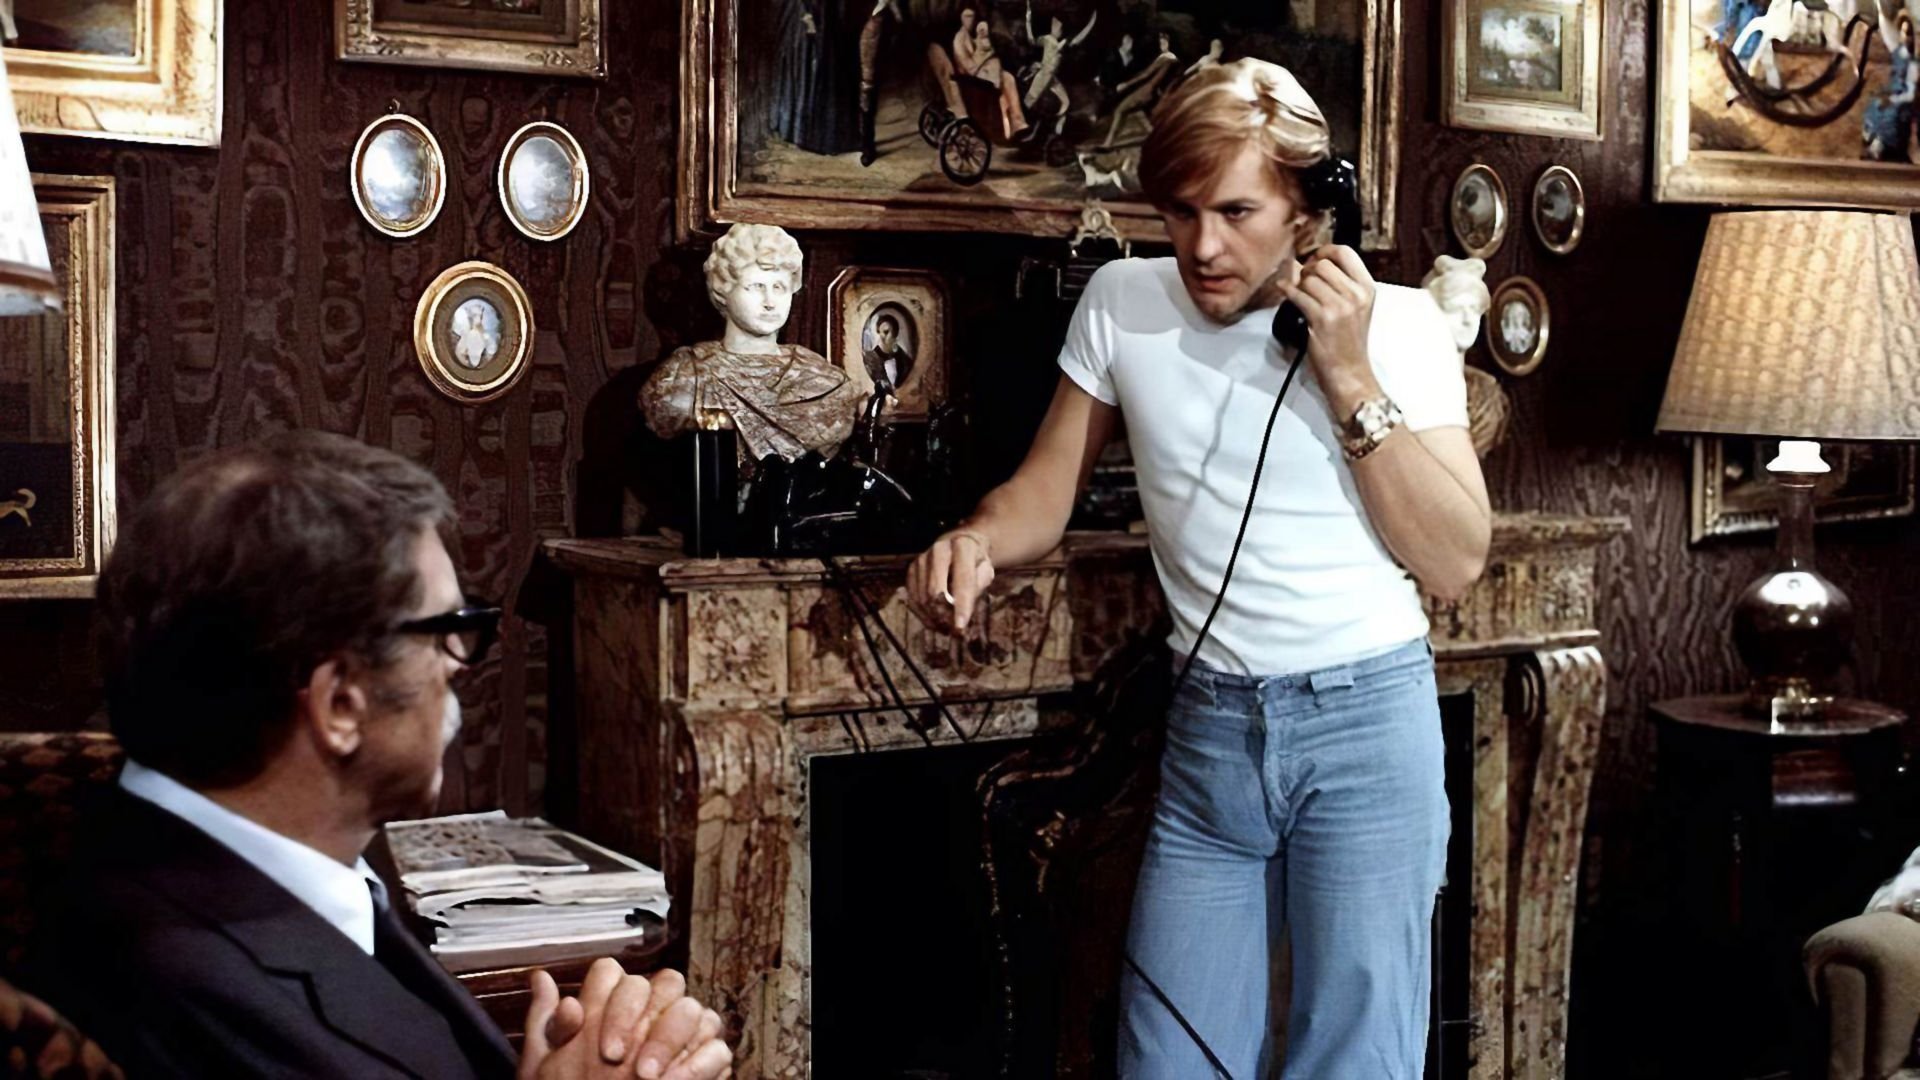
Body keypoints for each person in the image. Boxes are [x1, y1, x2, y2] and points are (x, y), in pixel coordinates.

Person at [907, 58, 1490, 1078]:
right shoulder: (1121, 303)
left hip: (1365, 729)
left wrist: (1348, 371)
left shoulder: (1399, 325)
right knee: (1166, 1056)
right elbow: (1043, 492)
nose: (1203, 247)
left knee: (1353, 1061)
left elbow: (1455, 559)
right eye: (1180, 213)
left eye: (1236, 212)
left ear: (1310, 207)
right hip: (1211, 735)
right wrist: (976, 541)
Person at [33, 432, 733, 1080]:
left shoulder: (257, 867)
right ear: (340, 703)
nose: (458, 663)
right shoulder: (173, 986)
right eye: (446, 630)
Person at [639, 223, 863, 468]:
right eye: (756, 287)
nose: (770, 302)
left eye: (779, 288)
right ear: (723, 290)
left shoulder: (826, 380)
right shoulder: (685, 377)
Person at [862, 312, 915, 396]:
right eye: (879, 332)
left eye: (886, 332)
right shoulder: (870, 360)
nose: (882, 336)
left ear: (895, 334)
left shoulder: (905, 361)